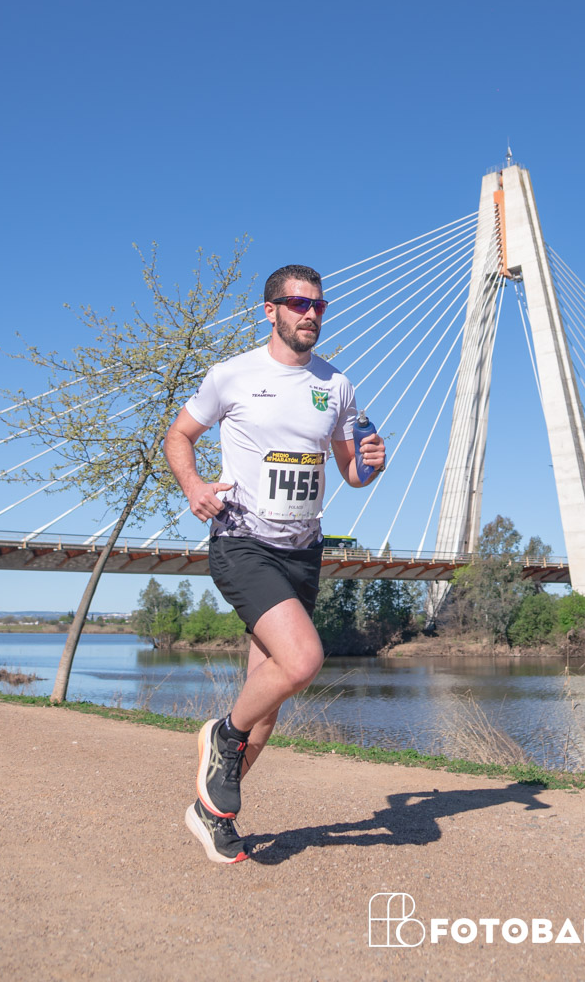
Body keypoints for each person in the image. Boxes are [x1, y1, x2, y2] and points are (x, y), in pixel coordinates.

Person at [164, 264, 385, 864]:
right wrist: (194, 487)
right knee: (304, 659)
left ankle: (213, 814)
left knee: (265, 709)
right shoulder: (231, 375)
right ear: (270, 310)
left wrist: (371, 462)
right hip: (243, 541)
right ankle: (221, 736)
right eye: (298, 304)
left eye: (319, 306)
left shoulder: (336, 384)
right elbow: (178, 436)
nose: (311, 314)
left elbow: (352, 472)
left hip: (302, 552)